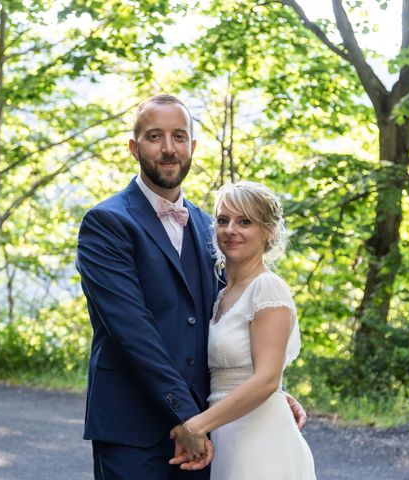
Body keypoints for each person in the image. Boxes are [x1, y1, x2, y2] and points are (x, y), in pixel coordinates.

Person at [76, 94, 306, 479]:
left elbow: (232, 321)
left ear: (192, 147)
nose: (169, 149)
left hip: (207, 432)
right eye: (154, 137)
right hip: (135, 428)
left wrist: (268, 393)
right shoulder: (106, 223)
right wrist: (189, 417)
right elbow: (133, 331)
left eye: (179, 137)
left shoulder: (210, 229)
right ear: (134, 148)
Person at [170, 181, 317, 479]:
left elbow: (266, 379)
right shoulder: (223, 294)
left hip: (261, 437)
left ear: (268, 231)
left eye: (245, 221)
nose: (230, 230)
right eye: (223, 220)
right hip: (227, 436)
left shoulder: (267, 288)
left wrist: (196, 425)